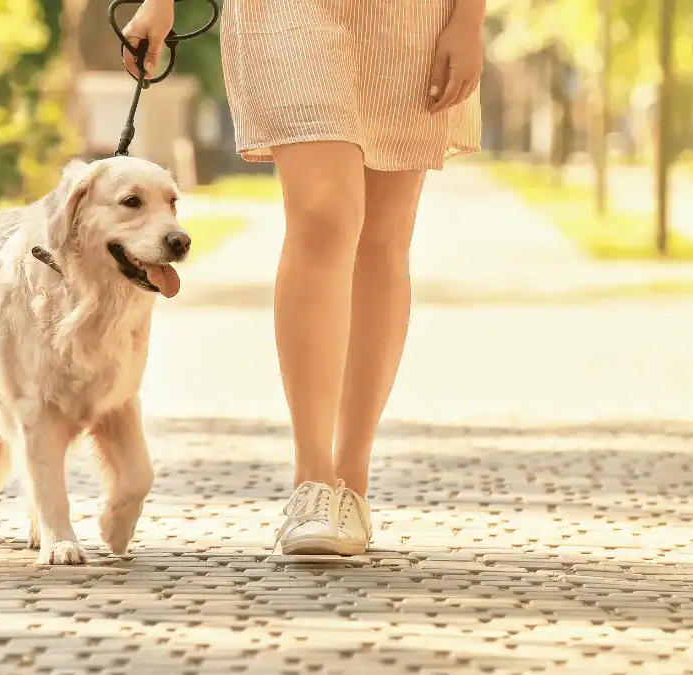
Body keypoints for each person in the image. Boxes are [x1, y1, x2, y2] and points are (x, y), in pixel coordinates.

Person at [122, 0, 484, 554]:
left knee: (382, 237)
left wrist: (469, 19)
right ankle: (313, 484)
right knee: (324, 213)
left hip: (412, 17)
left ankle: (351, 484)